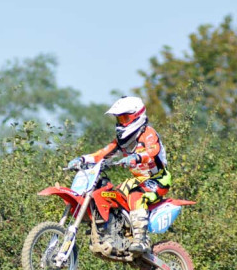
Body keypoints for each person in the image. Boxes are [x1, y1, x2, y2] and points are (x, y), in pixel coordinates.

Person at [66, 96, 171, 253]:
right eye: (119, 118)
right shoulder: (121, 141)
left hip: (158, 179)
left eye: (125, 118)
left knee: (136, 195)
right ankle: (112, 234)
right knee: (109, 195)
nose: (121, 122)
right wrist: (82, 159)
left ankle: (140, 240)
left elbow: (152, 151)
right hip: (137, 180)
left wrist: (136, 157)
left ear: (137, 116)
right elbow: (102, 153)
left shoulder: (148, 133)